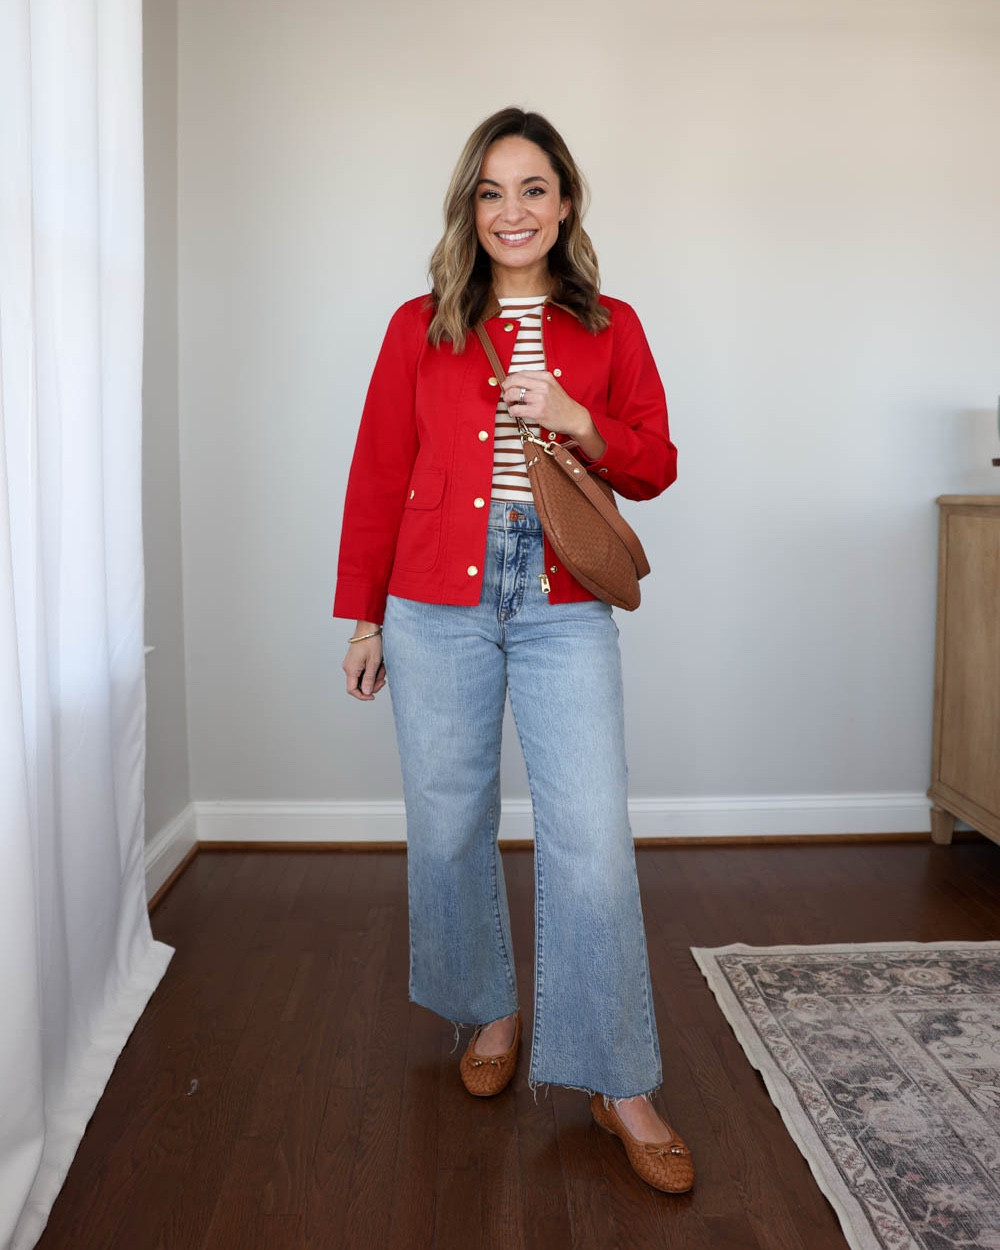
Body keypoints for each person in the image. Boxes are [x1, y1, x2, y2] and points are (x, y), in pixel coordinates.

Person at [334, 107, 692, 1194]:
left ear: (565, 202)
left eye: (532, 188)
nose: (512, 210)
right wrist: (361, 613)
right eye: (491, 191)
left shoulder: (611, 325)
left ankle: (616, 1076)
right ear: (470, 208)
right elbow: (375, 465)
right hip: (433, 602)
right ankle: (485, 1007)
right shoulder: (419, 324)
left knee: (590, 837)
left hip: (559, 599)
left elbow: (655, 464)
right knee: (446, 824)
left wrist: (580, 417)